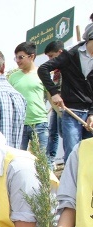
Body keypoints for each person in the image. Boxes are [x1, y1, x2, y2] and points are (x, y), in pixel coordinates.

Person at [38, 25, 93, 162]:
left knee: (89, 156)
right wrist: (54, 93)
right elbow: (43, 69)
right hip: (72, 112)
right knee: (73, 155)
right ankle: (71, 183)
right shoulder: (71, 54)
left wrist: (92, 113)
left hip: (90, 115)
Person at [9, 42, 49, 152]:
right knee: (18, 158)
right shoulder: (13, 77)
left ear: (31, 56)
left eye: (21, 57)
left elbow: (52, 97)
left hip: (39, 123)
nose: (17, 61)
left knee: (42, 160)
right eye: (16, 58)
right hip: (19, 124)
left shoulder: (42, 74)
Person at [44, 41, 65, 168]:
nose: (50, 60)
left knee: (64, 132)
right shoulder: (55, 71)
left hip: (66, 106)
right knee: (53, 131)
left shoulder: (67, 67)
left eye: (52, 56)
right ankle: (50, 160)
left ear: (60, 53)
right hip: (56, 106)